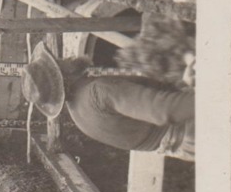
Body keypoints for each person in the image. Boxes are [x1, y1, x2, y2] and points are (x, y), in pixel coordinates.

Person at [21, 42, 195, 157]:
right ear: (62, 76)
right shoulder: (99, 92)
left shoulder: (77, 113)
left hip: (178, 146)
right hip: (188, 127)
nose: (66, 57)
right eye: (59, 62)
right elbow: (165, 110)